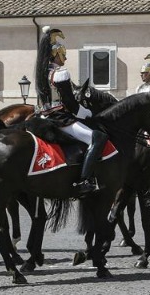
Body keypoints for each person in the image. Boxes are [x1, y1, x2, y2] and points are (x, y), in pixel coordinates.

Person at [35, 26, 108, 196]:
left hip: (42, 116)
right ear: (56, 54)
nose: (65, 58)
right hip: (60, 118)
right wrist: (87, 113)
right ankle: (84, 181)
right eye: (63, 55)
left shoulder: (42, 72)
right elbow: (70, 102)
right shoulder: (60, 73)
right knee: (98, 138)